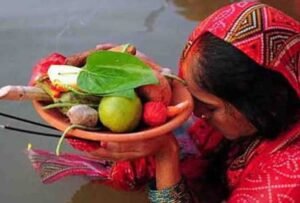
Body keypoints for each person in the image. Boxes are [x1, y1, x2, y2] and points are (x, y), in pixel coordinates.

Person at [89, 1, 300, 202]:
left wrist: (165, 155)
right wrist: (159, 85)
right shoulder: (273, 100)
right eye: (186, 88)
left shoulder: (288, 180)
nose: (192, 110)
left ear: (264, 102)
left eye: (209, 107)